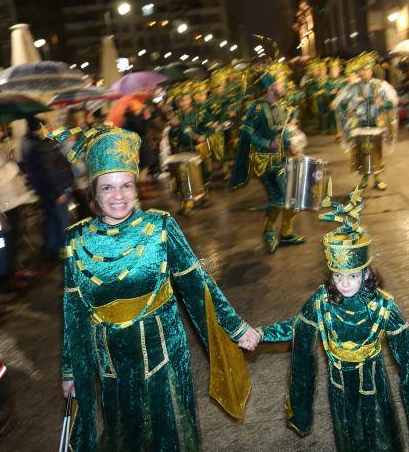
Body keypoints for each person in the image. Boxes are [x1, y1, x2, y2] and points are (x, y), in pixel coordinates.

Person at [50, 123, 260, 451]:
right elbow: (73, 312)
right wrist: (69, 370)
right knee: (125, 439)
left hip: (165, 360)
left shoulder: (160, 227)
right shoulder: (77, 240)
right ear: (94, 191)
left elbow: (197, 284)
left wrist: (235, 326)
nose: (118, 196)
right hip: (113, 369)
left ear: (136, 187)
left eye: (126, 186)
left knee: (170, 438)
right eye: (107, 188)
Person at [256, 189, 409, 451]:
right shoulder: (322, 300)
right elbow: (297, 327)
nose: (344, 284)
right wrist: (260, 334)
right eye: (338, 277)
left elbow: (406, 336)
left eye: (353, 276)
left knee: (378, 433)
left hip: (373, 382)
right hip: (339, 385)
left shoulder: (382, 305)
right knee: (348, 434)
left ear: (366, 274)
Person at [230, 73, 306, 253]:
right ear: (270, 88)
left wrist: (291, 146)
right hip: (263, 161)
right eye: (280, 85)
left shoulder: (280, 108)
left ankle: (287, 233)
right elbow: (247, 134)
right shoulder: (256, 108)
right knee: (278, 198)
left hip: (281, 159)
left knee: (292, 197)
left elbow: (282, 133)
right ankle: (269, 232)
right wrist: (267, 143)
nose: (283, 88)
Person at [333, 52, 399, 191]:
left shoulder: (381, 85)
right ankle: (364, 179)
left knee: (376, 152)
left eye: (368, 69)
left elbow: (392, 102)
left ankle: (377, 179)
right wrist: (347, 111)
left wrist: (382, 104)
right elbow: (340, 103)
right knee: (362, 153)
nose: (366, 72)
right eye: (363, 70)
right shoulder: (352, 88)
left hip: (376, 124)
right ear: (358, 71)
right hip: (360, 125)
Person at [21, 116, 74, 262]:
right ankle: (63, 251)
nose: (49, 128)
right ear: (39, 129)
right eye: (46, 126)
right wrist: (59, 192)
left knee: (51, 219)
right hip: (55, 190)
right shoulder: (40, 145)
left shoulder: (29, 142)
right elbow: (49, 171)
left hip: (45, 190)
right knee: (62, 221)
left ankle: (51, 249)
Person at [0, 126, 35, 303]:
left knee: (15, 237)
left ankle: (13, 271)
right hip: (3, 205)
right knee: (7, 242)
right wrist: (11, 167)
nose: (1, 133)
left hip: (13, 200)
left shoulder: (0, 149)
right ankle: (6, 278)